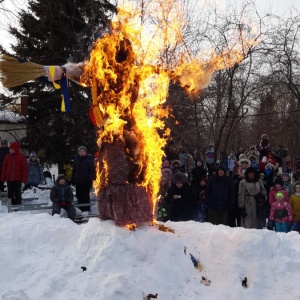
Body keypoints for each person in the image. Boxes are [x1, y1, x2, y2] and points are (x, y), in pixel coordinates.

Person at [72, 146, 96, 212]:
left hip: (86, 180)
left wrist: (91, 179)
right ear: (78, 152)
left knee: (85, 196)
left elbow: (92, 170)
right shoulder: (76, 159)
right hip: (78, 181)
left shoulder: (89, 159)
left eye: (83, 151)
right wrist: (73, 178)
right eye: (80, 151)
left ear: (85, 152)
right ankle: (80, 210)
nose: (82, 153)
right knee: (79, 196)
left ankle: (86, 210)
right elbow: (74, 170)